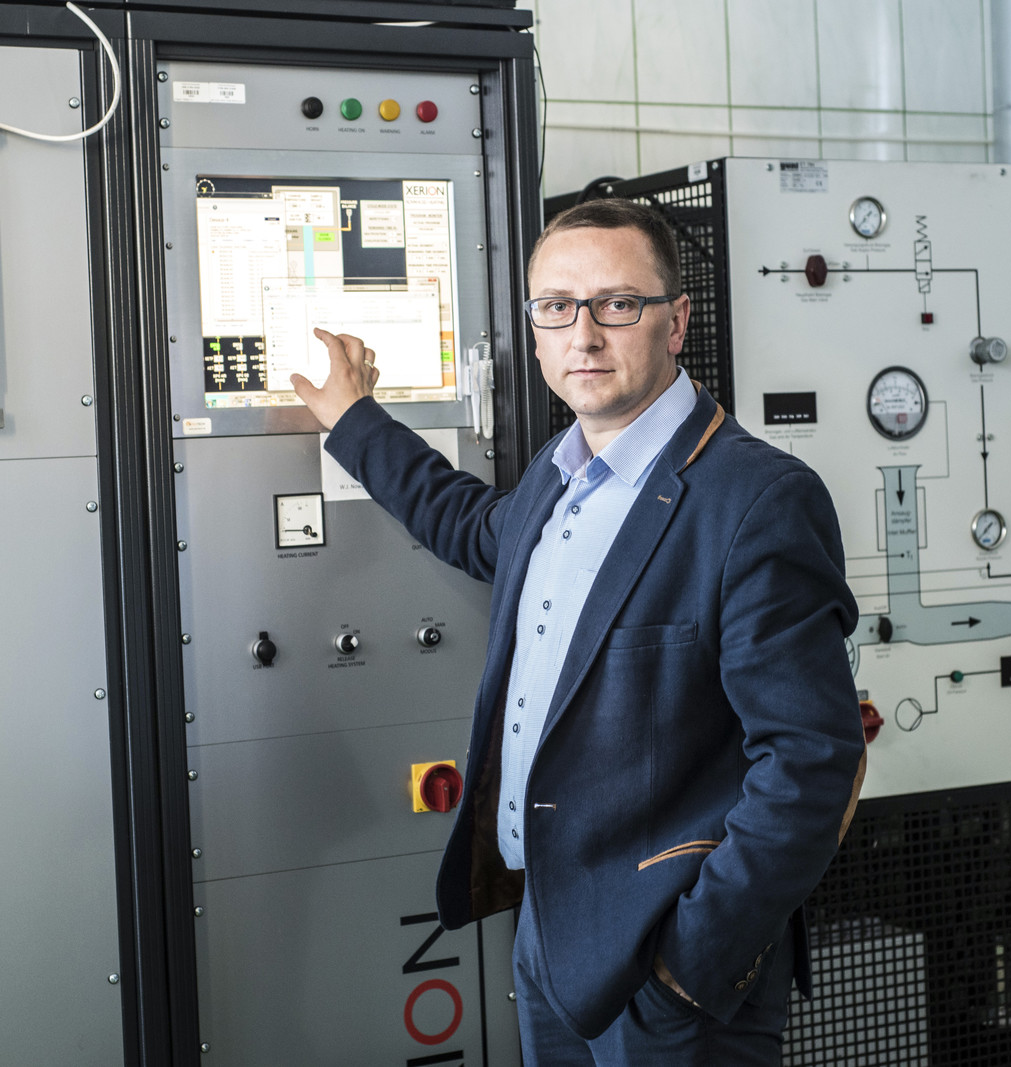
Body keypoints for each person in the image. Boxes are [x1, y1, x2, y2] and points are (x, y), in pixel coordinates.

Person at [291, 198, 866, 1066]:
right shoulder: (559, 478)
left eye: (617, 303)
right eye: (556, 307)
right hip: (550, 928)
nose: (584, 335)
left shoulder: (756, 501)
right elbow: (468, 525)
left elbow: (813, 761)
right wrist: (355, 420)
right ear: (534, 331)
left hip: (667, 967)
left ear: (676, 322)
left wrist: (688, 966)